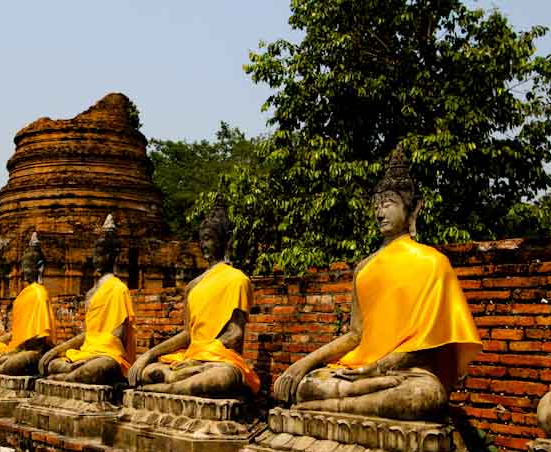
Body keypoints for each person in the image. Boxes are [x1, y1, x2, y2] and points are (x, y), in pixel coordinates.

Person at [272, 146, 481, 420]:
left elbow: (430, 345)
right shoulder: (365, 268)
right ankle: (328, 404)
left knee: (424, 397)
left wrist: (379, 368)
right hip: (362, 371)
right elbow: (355, 335)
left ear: (413, 208)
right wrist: (304, 363)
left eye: (389, 204)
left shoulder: (433, 262)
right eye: (377, 205)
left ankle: (323, 411)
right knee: (307, 385)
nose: (380, 213)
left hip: (406, 373)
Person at [128, 203, 259, 397]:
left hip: (219, 359)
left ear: (225, 240)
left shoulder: (237, 279)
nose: (203, 245)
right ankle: (174, 384)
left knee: (223, 378)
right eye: (201, 239)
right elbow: (188, 334)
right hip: (191, 358)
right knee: (148, 371)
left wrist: (201, 356)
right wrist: (149, 354)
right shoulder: (193, 285)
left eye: (208, 239)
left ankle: (161, 389)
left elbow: (235, 333)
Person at [39, 215, 135, 384]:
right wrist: (58, 350)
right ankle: (70, 375)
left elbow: (117, 336)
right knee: (54, 363)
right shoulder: (91, 293)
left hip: (107, 354)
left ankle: (65, 377)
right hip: (87, 351)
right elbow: (88, 334)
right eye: (95, 255)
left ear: (114, 256)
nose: (97, 260)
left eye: (102, 255)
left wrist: (95, 354)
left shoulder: (119, 289)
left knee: (98, 368)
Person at [0, 232, 55, 375]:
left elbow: (40, 338)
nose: (23, 271)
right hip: (19, 348)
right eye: (22, 267)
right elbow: (19, 332)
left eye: (27, 267)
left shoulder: (39, 294)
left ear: (40, 267)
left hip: (34, 351)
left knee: (15, 362)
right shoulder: (22, 296)